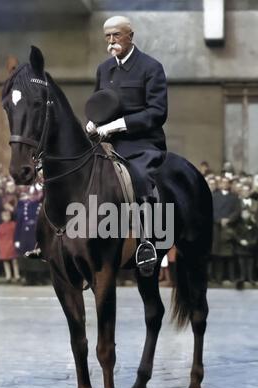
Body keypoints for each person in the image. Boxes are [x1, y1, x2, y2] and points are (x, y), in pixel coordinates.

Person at [85, 15, 168, 275]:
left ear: (130, 36)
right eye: (107, 36)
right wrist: (92, 122)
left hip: (141, 141)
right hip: (107, 142)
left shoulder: (151, 67)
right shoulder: (103, 69)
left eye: (116, 35)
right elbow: (100, 104)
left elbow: (157, 113)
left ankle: (146, 242)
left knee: (140, 177)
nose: (111, 41)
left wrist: (116, 126)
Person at [0, 210, 20, 283]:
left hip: (12, 244)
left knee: (14, 260)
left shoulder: (14, 224)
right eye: (5, 216)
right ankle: (8, 276)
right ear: (2, 217)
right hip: (3, 244)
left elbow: (16, 234)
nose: (6, 217)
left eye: (8, 215)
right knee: (5, 261)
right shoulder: (0, 226)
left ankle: (17, 275)